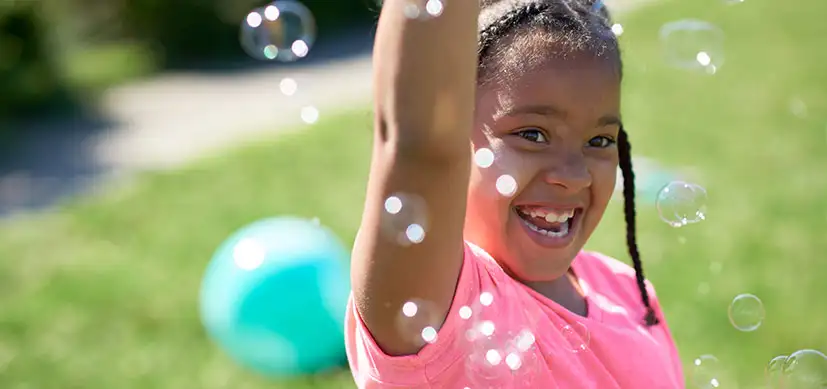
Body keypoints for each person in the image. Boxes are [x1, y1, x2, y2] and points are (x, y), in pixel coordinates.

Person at [345, 0, 685, 387]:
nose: (573, 176)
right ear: (458, 137)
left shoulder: (623, 289)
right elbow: (421, 146)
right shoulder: (441, 311)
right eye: (532, 135)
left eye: (599, 139)